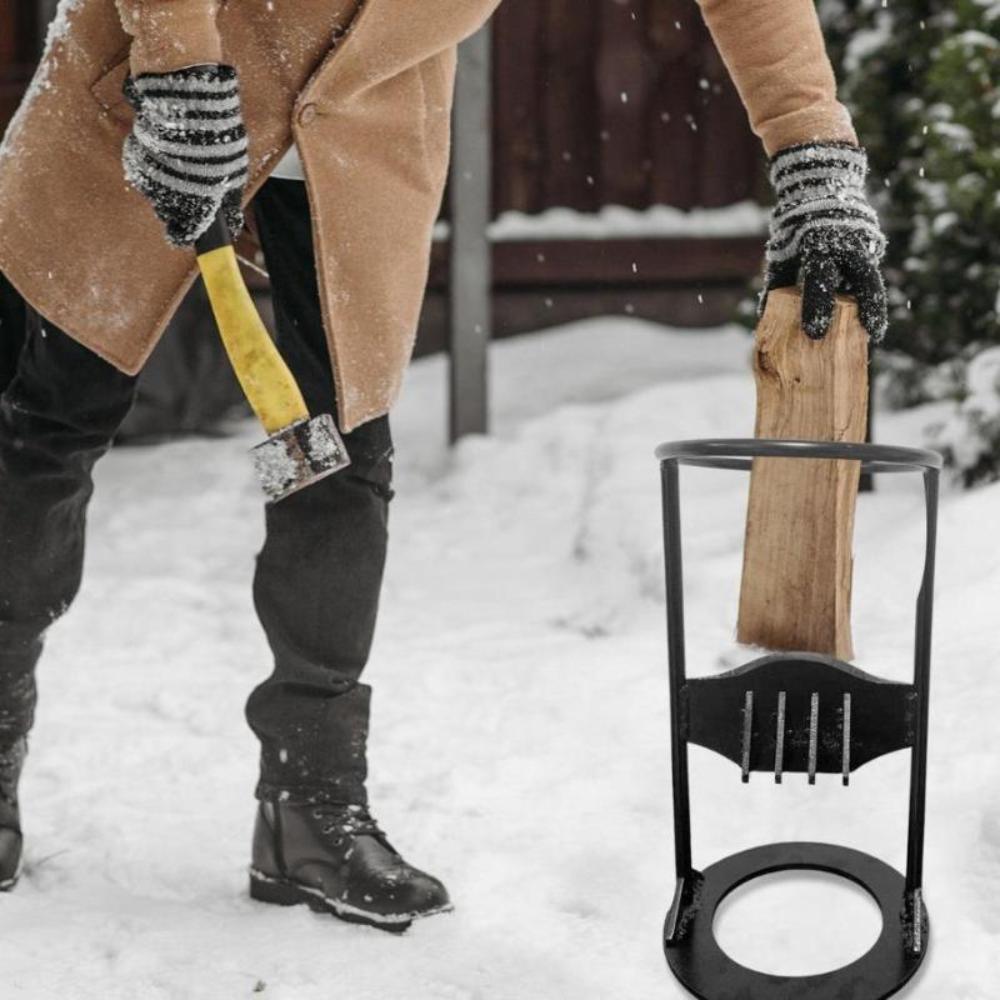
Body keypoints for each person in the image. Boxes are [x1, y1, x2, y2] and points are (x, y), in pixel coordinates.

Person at [0, 0, 888, 929]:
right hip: (160, 88)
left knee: (342, 463)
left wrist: (811, 151)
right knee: (47, 429)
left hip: (363, 128)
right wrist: (178, 69)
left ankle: (311, 810)